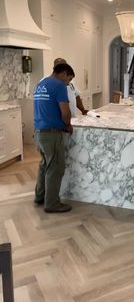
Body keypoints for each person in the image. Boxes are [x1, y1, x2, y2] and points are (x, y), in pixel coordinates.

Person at [34, 63, 75, 213]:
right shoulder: (58, 85)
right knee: (55, 168)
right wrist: (68, 125)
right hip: (52, 134)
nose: (68, 83)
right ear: (63, 73)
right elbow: (65, 111)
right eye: (68, 79)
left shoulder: (40, 84)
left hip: (39, 132)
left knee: (44, 165)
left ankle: (40, 197)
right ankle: (52, 204)